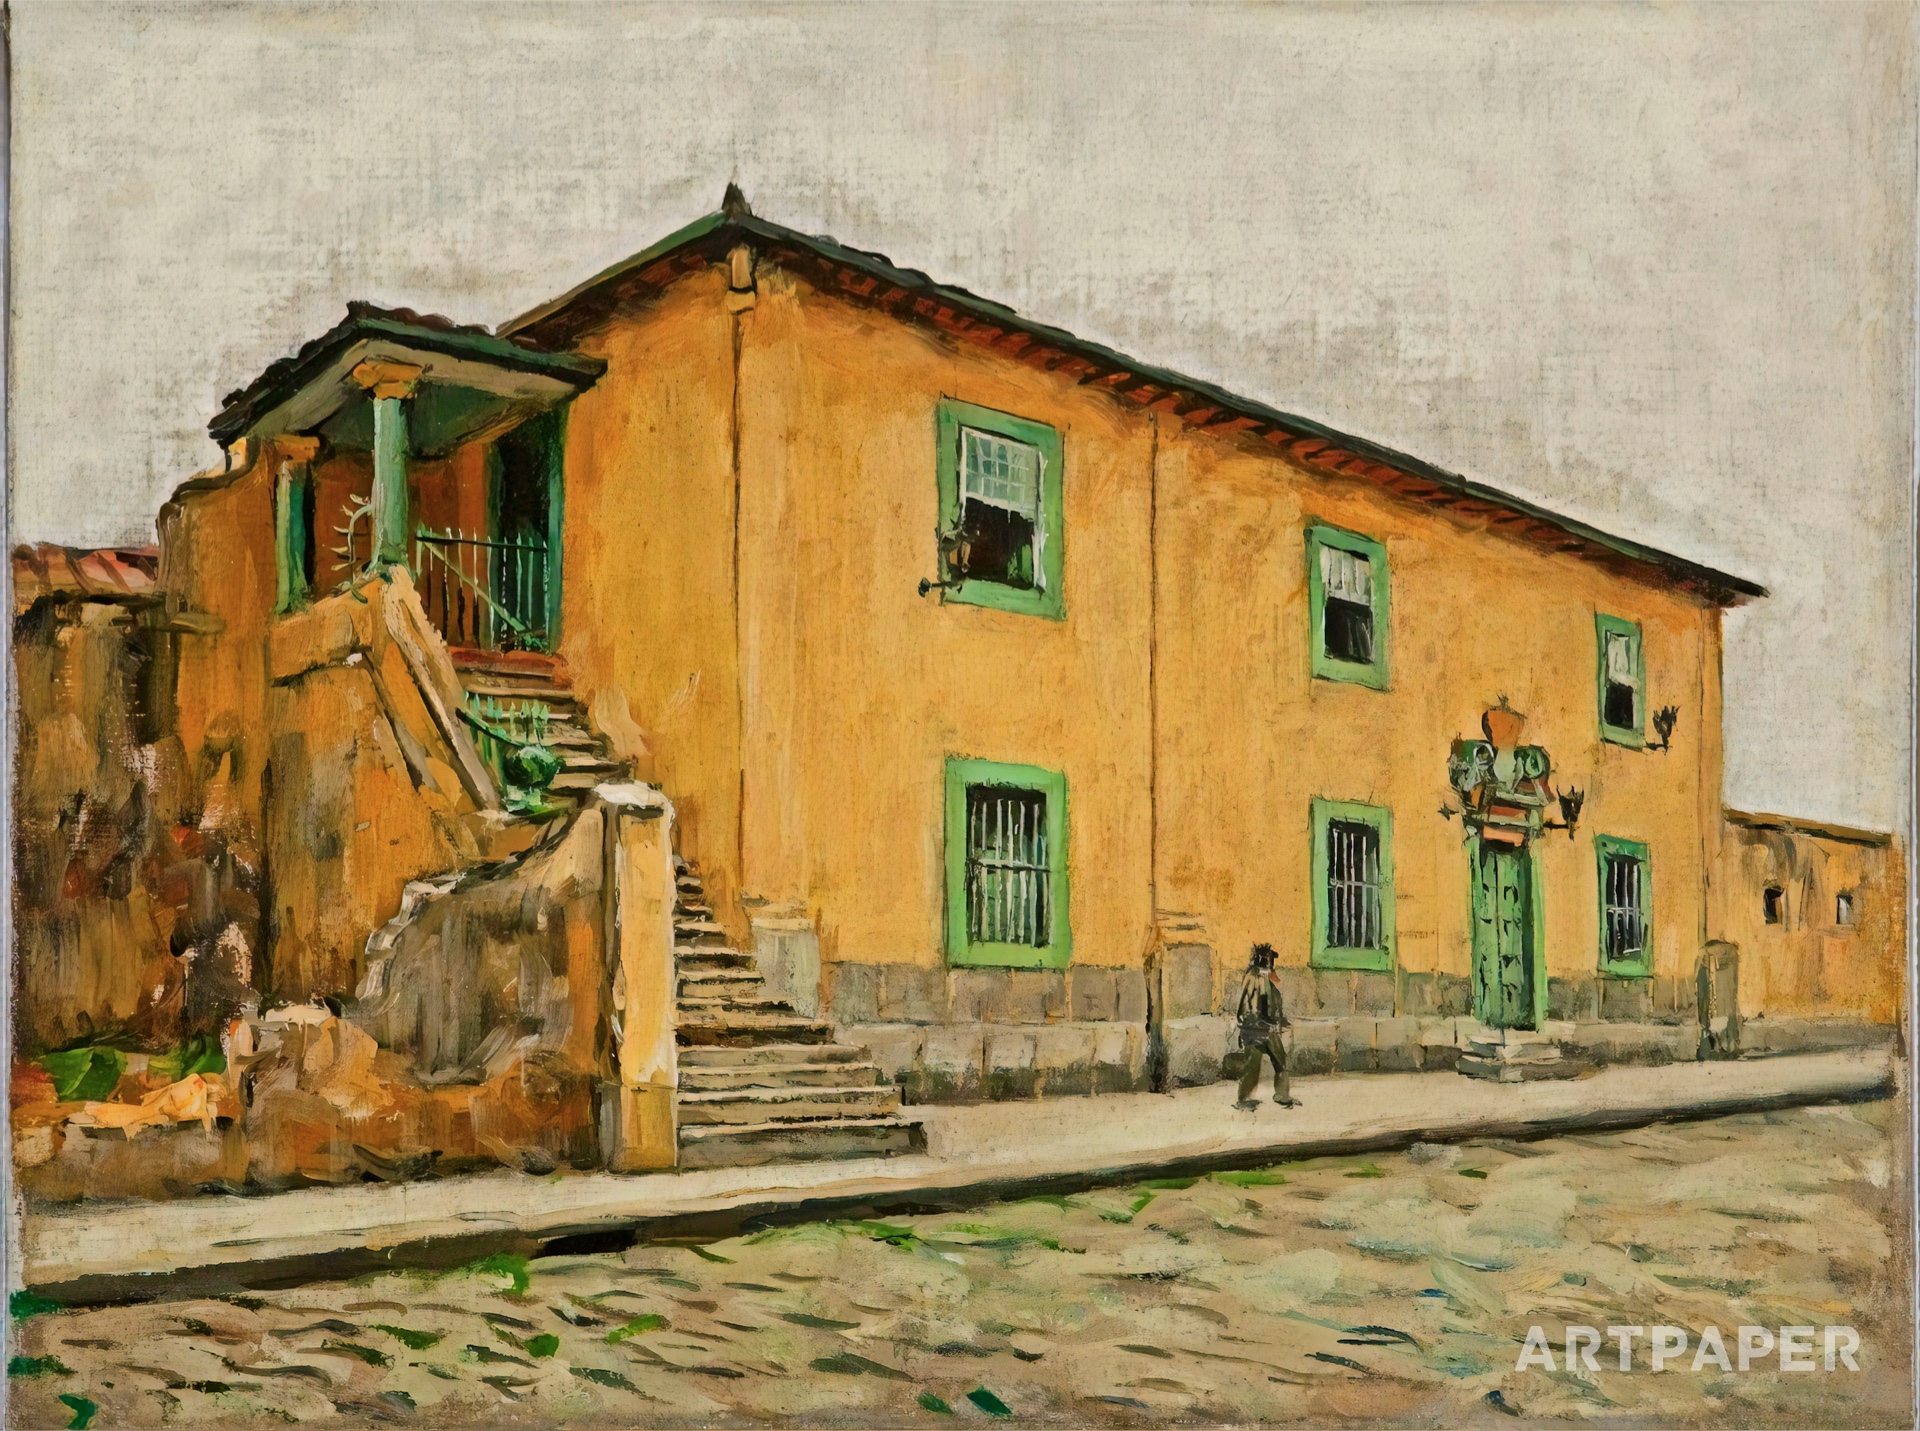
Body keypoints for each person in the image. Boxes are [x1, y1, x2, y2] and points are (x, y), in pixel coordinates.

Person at [1234, 943, 1298, 1110]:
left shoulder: (1266, 976)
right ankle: (1244, 1099)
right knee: (1252, 1066)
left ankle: (1282, 1095)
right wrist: (1255, 1021)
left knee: (1280, 1061)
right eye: (1268, 958)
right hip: (1255, 1028)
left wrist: (1280, 1020)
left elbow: (1273, 1001)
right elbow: (1251, 1002)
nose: (1270, 961)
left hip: (1266, 1029)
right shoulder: (1255, 974)